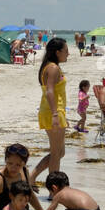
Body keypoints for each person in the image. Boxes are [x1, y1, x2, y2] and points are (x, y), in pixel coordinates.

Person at [30, 38, 70, 184]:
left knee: (59, 152)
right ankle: (54, 188)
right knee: (56, 153)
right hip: (52, 111)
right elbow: (50, 92)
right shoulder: (53, 68)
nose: (68, 54)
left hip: (54, 111)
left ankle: (32, 177)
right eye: (66, 51)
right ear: (57, 52)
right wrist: (55, 114)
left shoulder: (49, 66)